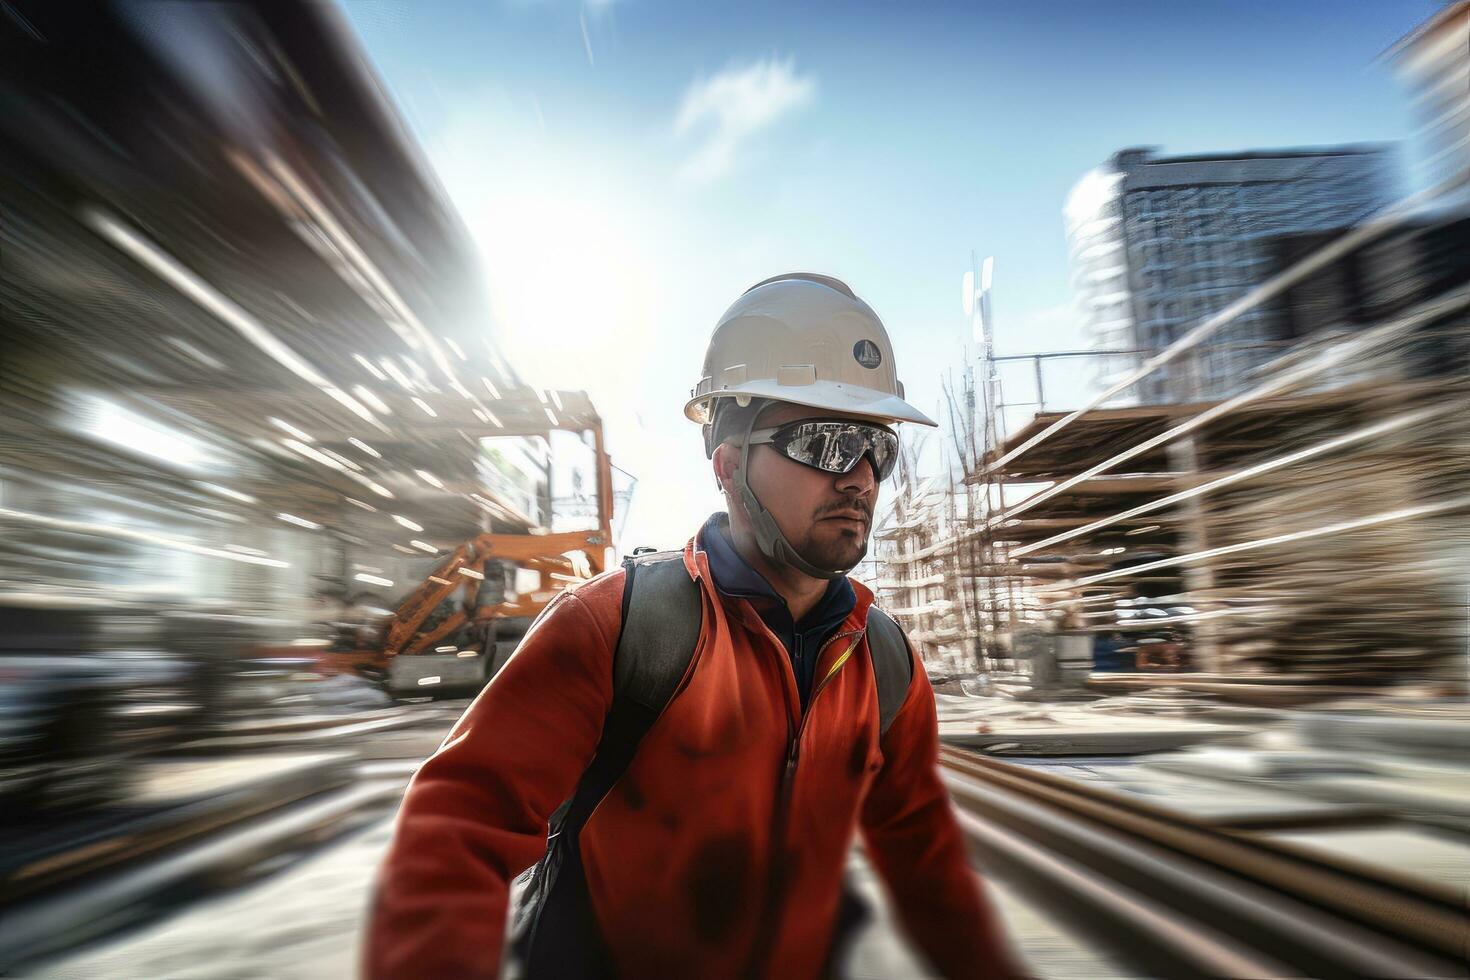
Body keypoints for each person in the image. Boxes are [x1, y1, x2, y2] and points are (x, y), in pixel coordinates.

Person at [365, 274, 1023, 979]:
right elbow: (454, 836)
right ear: (730, 464)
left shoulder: (883, 660)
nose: (860, 477)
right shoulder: (616, 627)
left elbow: (927, 865)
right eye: (827, 443)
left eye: (877, 450)